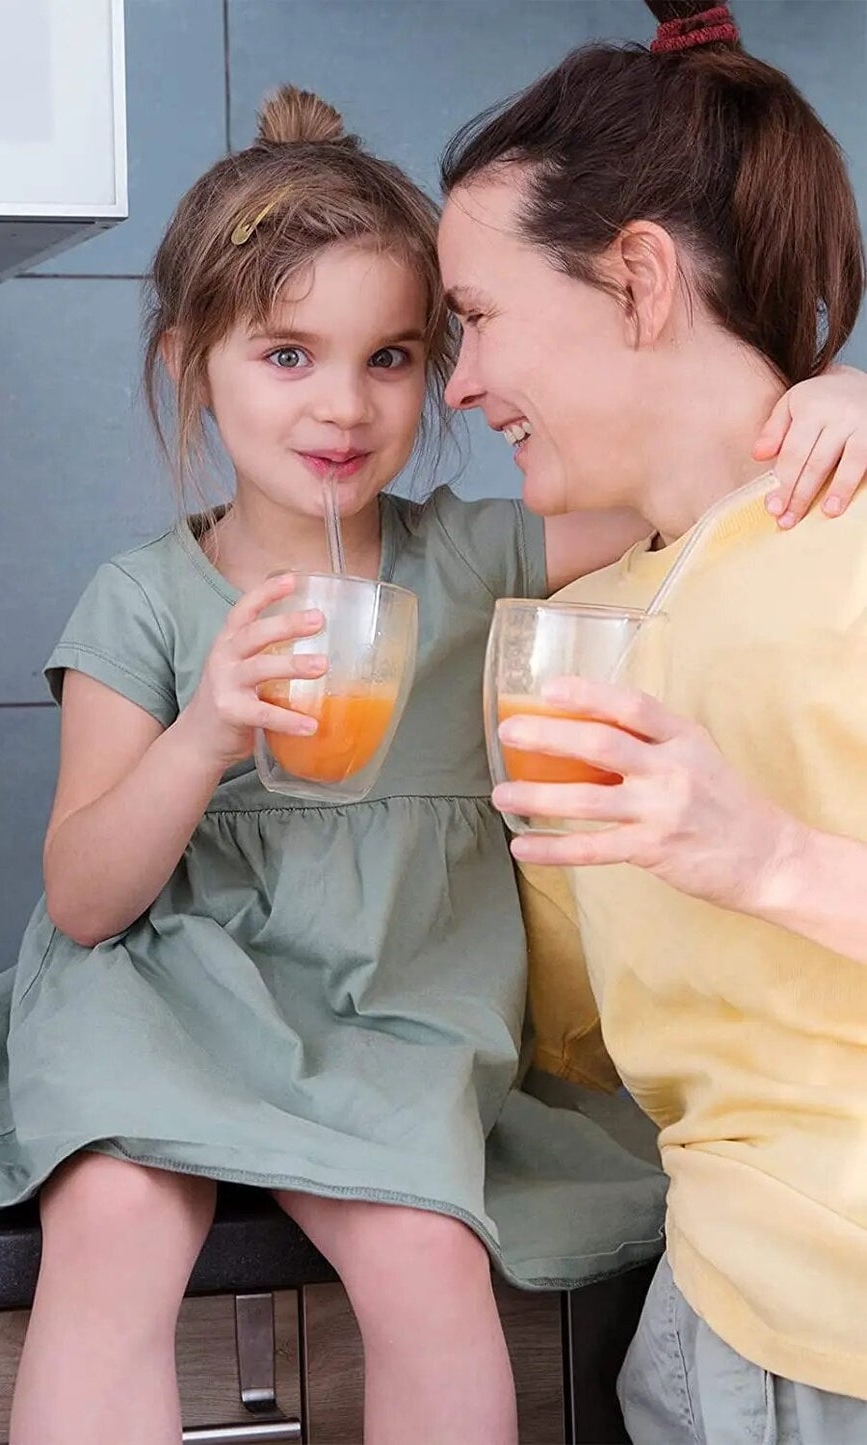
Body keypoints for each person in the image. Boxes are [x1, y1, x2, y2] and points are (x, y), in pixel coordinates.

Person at [0, 80, 867, 1445]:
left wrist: (840, 395)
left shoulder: (477, 554)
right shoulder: (147, 600)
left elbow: (715, 470)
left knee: (426, 1259)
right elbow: (88, 895)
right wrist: (207, 729)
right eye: (287, 355)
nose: (350, 402)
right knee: (107, 1220)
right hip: (175, 1002)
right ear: (189, 366)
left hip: (391, 1015)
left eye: (400, 352)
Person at [438, 2, 867, 1439]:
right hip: (716, 1317)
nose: (459, 384)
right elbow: (577, 1032)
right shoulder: (599, 620)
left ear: (633, 280)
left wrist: (768, 860)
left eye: (478, 317)